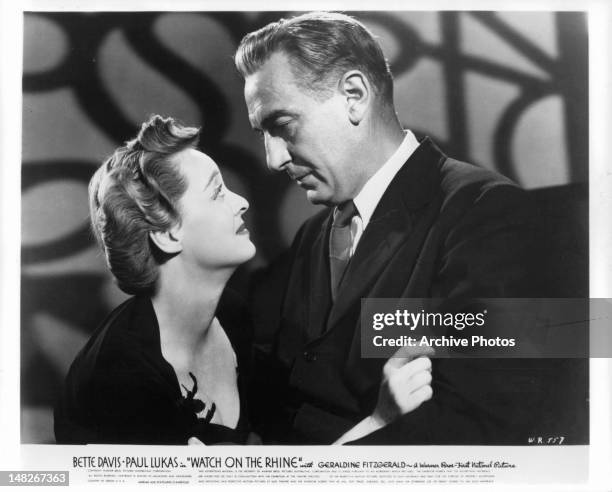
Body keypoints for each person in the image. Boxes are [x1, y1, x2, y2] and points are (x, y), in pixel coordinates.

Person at [234, 12, 568, 444]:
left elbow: (482, 423)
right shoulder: (313, 236)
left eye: (281, 125)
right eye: (263, 133)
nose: (272, 158)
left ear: (354, 95)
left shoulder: (485, 211)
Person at [53, 115, 433, 445]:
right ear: (168, 234)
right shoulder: (119, 380)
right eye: (218, 192)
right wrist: (379, 421)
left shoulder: (232, 313)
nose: (241, 201)